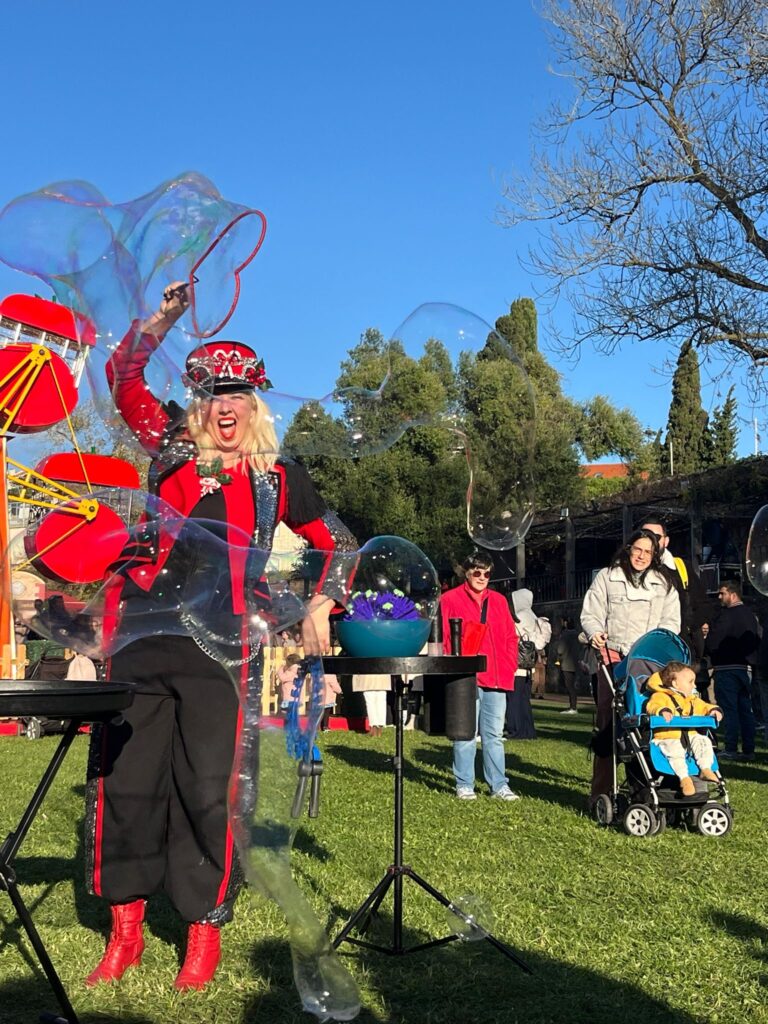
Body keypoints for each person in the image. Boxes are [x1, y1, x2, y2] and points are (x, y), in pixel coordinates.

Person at [85, 282, 356, 991]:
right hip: (142, 640)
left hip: (224, 650)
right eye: (210, 394)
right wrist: (163, 319)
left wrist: (326, 600)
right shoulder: (169, 443)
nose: (223, 407)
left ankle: (202, 934)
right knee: (127, 782)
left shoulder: (277, 475)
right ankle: (125, 933)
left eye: (236, 394)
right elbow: (123, 378)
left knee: (211, 788)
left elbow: (339, 545)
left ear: (254, 403)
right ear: (198, 403)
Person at [580, 529, 680, 804]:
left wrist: (656, 648)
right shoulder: (607, 577)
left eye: (648, 552)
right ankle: (601, 792)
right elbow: (591, 612)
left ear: (655, 556)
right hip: (612, 656)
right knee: (608, 722)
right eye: (638, 549)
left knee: (643, 722)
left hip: (647, 662)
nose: (642, 556)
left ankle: (643, 790)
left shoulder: (664, 584)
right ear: (628, 549)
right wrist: (594, 632)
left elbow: (671, 624)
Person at [440, 551, 520, 801]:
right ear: (466, 571)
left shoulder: (498, 600)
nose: (482, 577)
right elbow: (444, 638)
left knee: (494, 734)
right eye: (477, 572)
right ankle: (464, 783)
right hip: (466, 675)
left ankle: (499, 785)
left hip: (497, 675)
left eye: (487, 573)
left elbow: (510, 636)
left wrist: (509, 664)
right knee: (464, 732)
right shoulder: (449, 599)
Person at [639, 519, 714, 665]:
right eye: (646, 536)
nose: (652, 541)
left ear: (666, 541)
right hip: (640, 648)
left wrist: (688, 626)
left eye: (657, 537)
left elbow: (703, 604)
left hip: (679, 650)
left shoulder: (680, 567)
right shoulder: (628, 569)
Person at [645, 661, 722, 796]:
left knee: (704, 741)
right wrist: (662, 710)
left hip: (689, 734)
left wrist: (713, 710)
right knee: (676, 751)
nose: (694, 685)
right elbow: (652, 705)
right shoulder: (661, 696)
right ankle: (684, 779)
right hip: (667, 736)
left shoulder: (692, 699)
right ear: (675, 684)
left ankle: (705, 768)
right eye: (691, 682)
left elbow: (704, 706)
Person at [704, 582, 759, 762]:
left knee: (729, 709)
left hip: (727, 667)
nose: (719, 597)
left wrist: (708, 643)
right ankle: (749, 749)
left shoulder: (727, 615)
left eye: (722, 593)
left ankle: (730, 748)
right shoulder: (750, 615)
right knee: (745, 709)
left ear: (733, 594)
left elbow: (714, 640)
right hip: (746, 667)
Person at [504, 588, 550, 738]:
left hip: (515, 665)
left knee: (513, 699)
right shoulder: (532, 615)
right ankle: (528, 730)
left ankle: (515, 729)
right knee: (524, 700)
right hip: (528, 665)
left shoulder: (518, 616)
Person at [554, 617, 581, 714]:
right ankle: (573, 706)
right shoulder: (577, 635)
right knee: (572, 685)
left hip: (566, 662)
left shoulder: (565, 635)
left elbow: (560, 649)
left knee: (569, 686)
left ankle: (573, 707)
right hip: (575, 661)